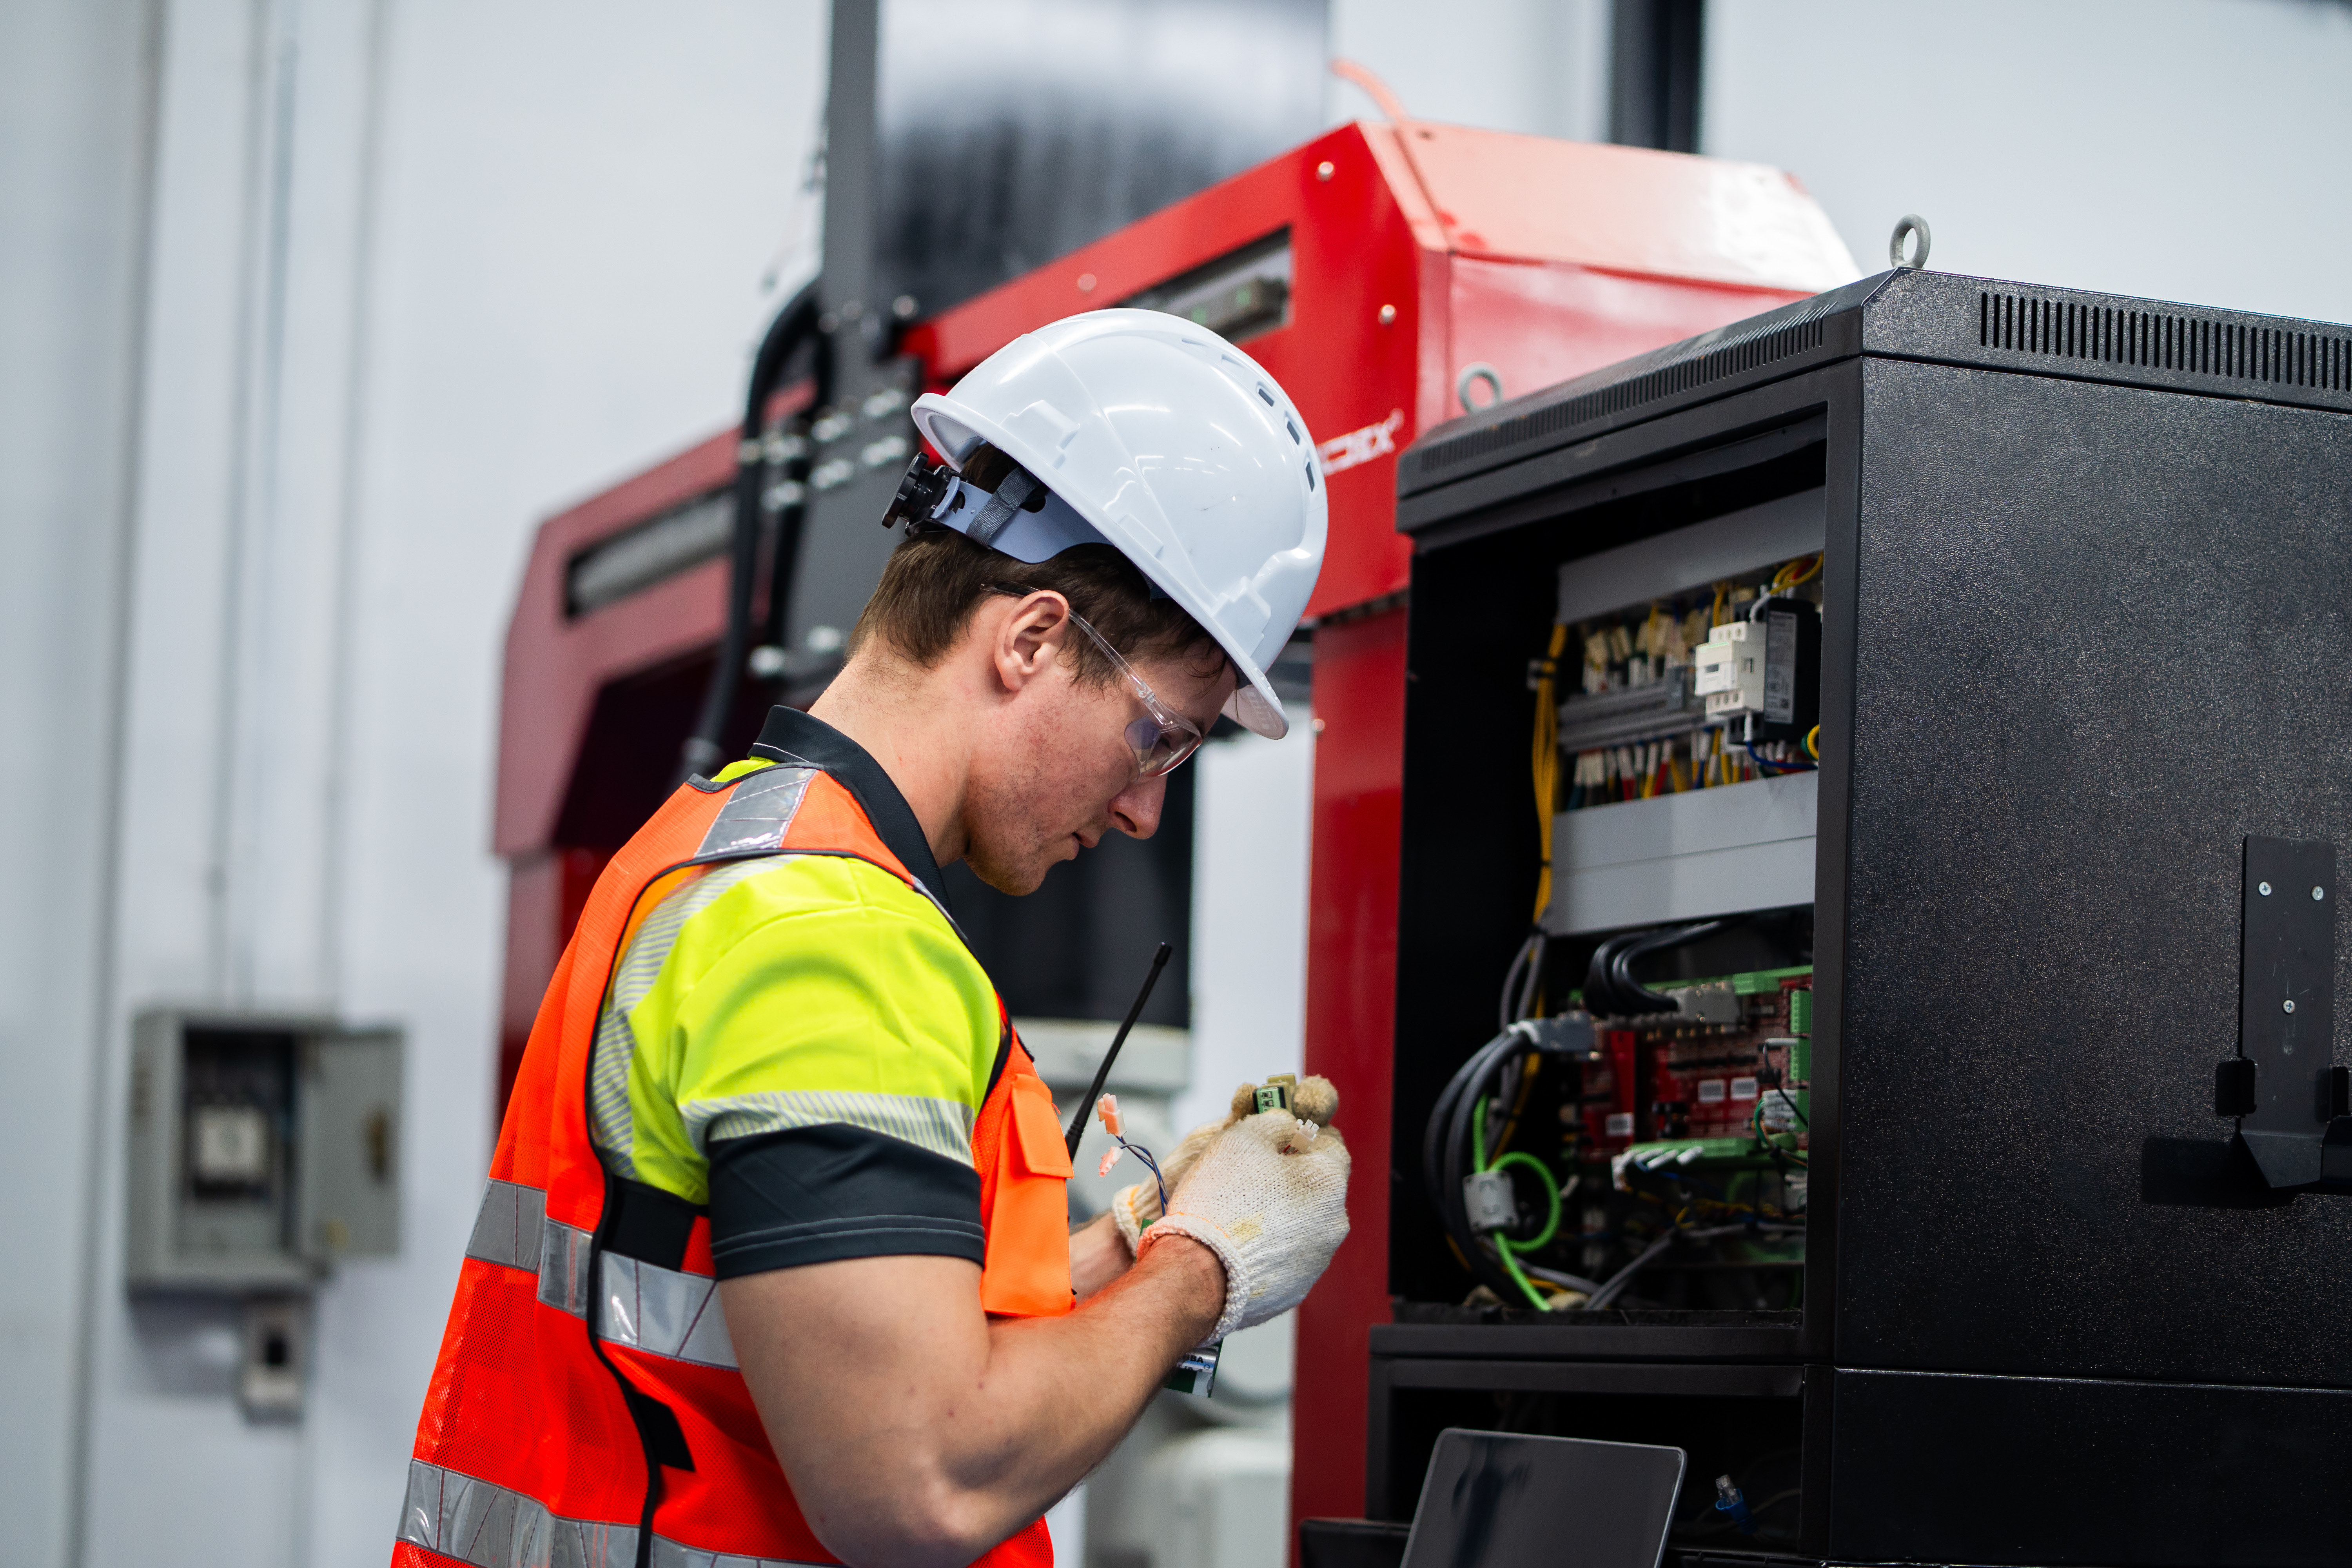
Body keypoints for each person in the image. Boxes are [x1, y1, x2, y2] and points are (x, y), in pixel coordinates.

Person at [394, 310, 1351, 1568]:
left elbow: (838, 1313)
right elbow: (925, 1483)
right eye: (1156, 737)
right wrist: (1198, 1274)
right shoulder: (834, 935)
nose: (1142, 809)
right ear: (1032, 638)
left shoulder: (730, 845)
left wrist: (1139, 1235)